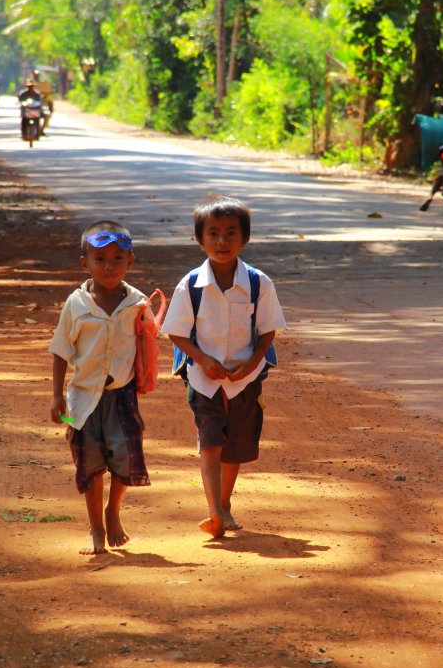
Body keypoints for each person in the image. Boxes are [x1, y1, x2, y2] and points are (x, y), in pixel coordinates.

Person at [162, 196, 286, 539]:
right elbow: (177, 332)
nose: (222, 241)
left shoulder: (259, 283)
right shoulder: (189, 285)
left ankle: (225, 502)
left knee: (236, 447)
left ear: (244, 239)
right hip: (203, 380)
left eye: (231, 233)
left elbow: (267, 332)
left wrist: (250, 364)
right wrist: (202, 359)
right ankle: (214, 510)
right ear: (199, 240)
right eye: (213, 233)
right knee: (210, 442)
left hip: (245, 379)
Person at [49, 221, 152, 556]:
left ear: (130, 262)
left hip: (123, 397)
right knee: (90, 465)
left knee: (127, 461)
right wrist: (56, 397)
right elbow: (61, 350)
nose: (109, 266)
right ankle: (96, 526)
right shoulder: (76, 305)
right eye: (100, 259)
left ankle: (113, 511)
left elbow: (149, 342)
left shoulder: (138, 303)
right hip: (83, 401)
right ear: (85, 264)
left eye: (118, 259)